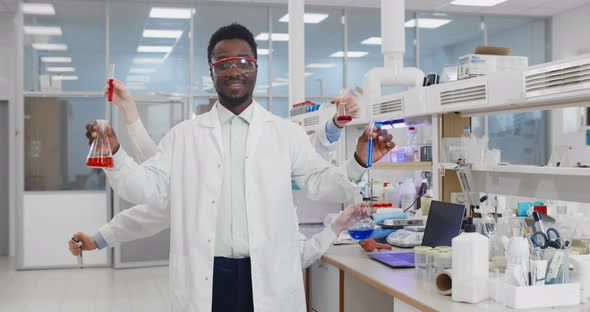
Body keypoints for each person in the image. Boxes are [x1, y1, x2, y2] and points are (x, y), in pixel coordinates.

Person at [81, 23, 393, 312]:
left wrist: (358, 162)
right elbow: (145, 189)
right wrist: (115, 154)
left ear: (256, 68)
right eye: (223, 63)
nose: (234, 69)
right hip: (206, 278)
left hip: (269, 276)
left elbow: (321, 183)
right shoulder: (184, 136)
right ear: (211, 71)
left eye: (244, 62)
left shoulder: (285, 134)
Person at [69, 84, 364, 270]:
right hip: (211, 278)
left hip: (266, 275)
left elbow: (313, 165)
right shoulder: (190, 178)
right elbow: (148, 200)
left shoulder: (271, 146)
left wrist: (337, 126)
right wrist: (98, 239)